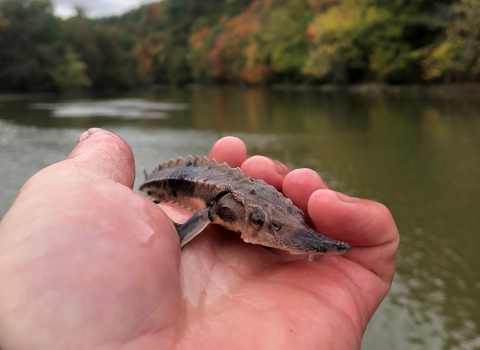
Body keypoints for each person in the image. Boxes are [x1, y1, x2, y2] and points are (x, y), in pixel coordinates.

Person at [0, 128, 399, 349]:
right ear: (217, 211)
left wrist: (310, 238)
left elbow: (296, 230)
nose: (273, 232)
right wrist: (170, 238)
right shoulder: (210, 209)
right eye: (260, 222)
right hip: (167, 186)